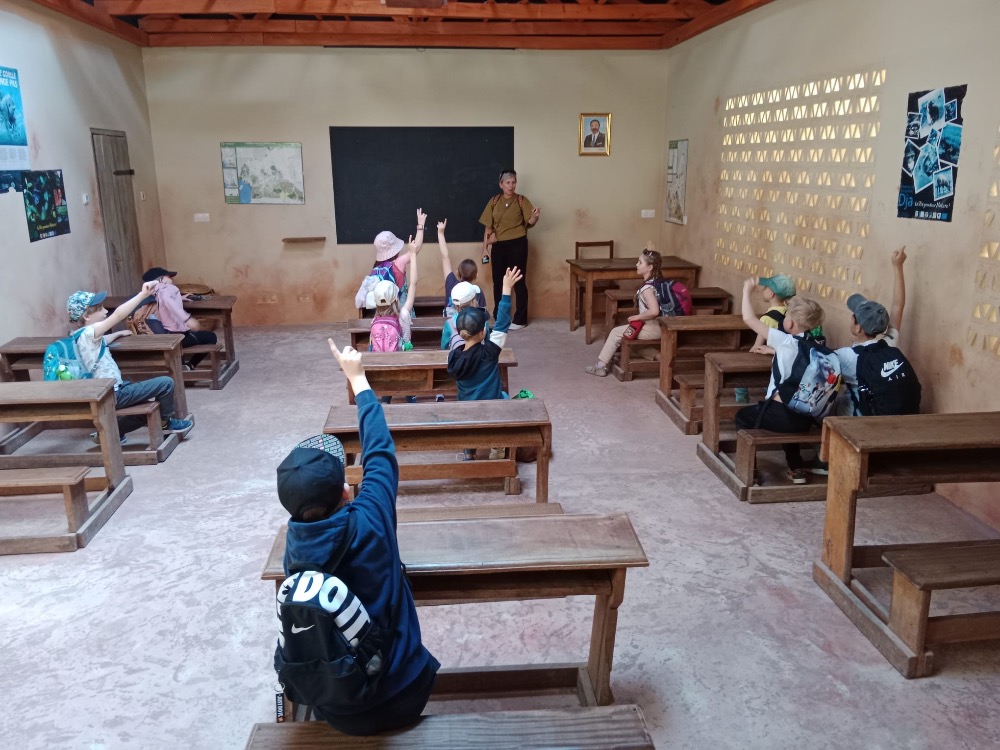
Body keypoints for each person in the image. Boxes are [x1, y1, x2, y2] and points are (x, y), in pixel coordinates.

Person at [277, 340, 439, 735]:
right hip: (404, 694)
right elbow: (380, 454)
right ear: (347, 492)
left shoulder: (293, 551)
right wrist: (359, 381)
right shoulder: (371, 518)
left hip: (337, 708)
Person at [66, 287, 194, 439]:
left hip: (105, 392)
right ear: (87, 316)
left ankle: (109, 434)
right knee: (166, 383)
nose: (106, 311)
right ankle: (165, 423)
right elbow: (118, 315)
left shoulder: (78, 336)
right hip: (113, 394)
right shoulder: (90, 333)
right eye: (100, 309)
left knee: (147, 407)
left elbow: (103, 340)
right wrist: (143, 295)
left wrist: (118, 333)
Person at [733, 279, 827, 485]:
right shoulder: (818, 345)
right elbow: (799, 358)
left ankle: (748, 469)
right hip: (807, 416)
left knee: (742, 417)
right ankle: (795, 468)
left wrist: (746, 290)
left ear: (790, 323)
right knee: (788, 411)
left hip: (782, 416)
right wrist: (774, 352)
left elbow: (749, 318)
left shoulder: (784, 342)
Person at [447, 266, 522, 460]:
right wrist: (506, 290)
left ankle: (469, 452)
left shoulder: (453, 357)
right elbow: (502, 324)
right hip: (492, 411)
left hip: (467, 413)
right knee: (505, 399)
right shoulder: (489, 352)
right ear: (483, 333)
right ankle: (498, 448)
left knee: (469, 410)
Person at [833, 247, 909, 417]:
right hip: (884, 412)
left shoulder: (845, 356)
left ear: (857, 327)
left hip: (857, 418)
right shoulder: (889, 344)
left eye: (853, 317)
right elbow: (898, 306)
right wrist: (898, 267)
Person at [584, 248, 664, 378]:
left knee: (615, 333)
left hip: (653, 327)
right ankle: (661, 357)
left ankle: (600, 366)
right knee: (630, 341)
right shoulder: (658, 281)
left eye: (640, 262)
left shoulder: (647, 288)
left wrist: (637, 316)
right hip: (662, 325)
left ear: (649, 267)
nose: (636, 264)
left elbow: (655, 311)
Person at [479, 170, 540, 329]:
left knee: (518, 281)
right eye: (507, 183)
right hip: (498, 246)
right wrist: (485, 248)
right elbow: (488, 227)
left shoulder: (521, 200)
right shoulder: (494, 201)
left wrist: (535, 216)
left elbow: (531, 221)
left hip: (518, 244)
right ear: (501, 184)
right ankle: (500, 316)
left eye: (513, 182)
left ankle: (520, 320)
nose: (511, 186)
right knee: (498, 281)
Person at [139, 267, 219, 369]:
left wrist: (181, 298)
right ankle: (190, 365)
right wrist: (187, 319)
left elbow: (165, 299)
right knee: (211, 337)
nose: (172, 279)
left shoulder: (157, 291)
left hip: (169, 335)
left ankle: (182, 364)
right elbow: (168, 301)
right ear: (160, 280)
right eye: (169, 277)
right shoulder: (166, 289)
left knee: (195, 335)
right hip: (179, 338)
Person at [734, 273, 796, 404]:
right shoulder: (792, 313)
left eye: (766, 287)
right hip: (786, 358)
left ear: (771, 294)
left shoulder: (767, 318)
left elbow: (757, 346)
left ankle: (741, 399)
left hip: (772, 361)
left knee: (740, 372)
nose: (763, 289)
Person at [355, 209, 426, 312]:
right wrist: (420, 226)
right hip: (401, 312)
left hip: (384, 315)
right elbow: (416, 248)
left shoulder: (376, 269)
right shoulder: (398, 264)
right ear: (395, 250)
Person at [369, 237, 420, 352]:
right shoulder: (403, 315)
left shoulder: (374, 320)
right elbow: (413, 284)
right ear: (396, 298)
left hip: (379, 361)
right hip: (403, 358)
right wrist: (412, 255)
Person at [437, 218, 487, 317]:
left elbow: (445, 257)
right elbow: (482, 314)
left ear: (457, 272)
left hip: (450, 325)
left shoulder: (451, 283)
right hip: (471, 326)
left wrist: (440, 233)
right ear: (476, 275)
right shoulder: (478, 291)